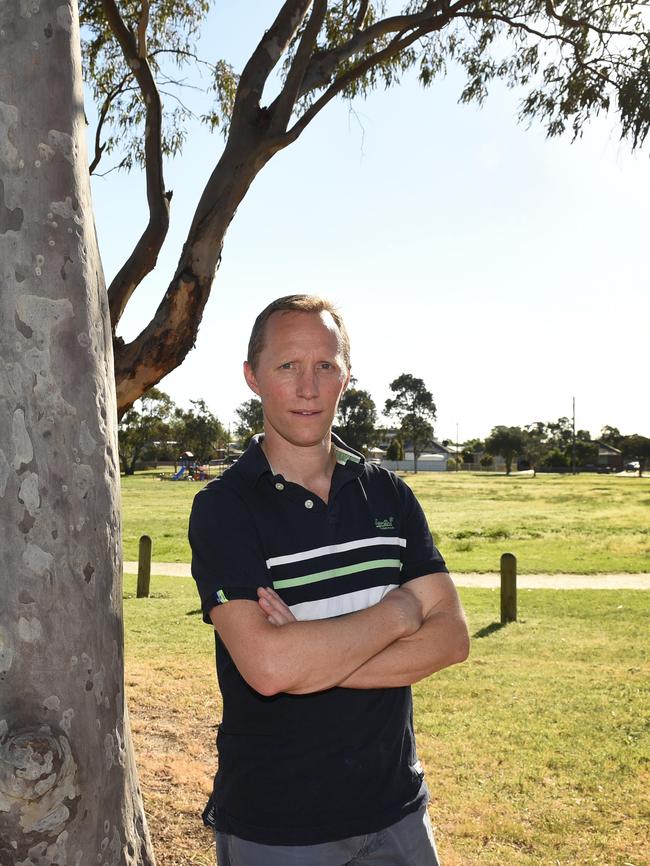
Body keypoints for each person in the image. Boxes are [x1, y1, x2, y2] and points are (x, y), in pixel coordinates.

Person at [189, 295, 469, 866]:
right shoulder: (223, 509)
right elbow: (268, 669)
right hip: (278, 825)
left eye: (325, 366)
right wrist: (398, 615)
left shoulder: (389, 494)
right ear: (253, 377)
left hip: (398, 814)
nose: (308, 387)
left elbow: (452, 640)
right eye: (287, 366)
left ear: (347, 376)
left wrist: (311, 659)